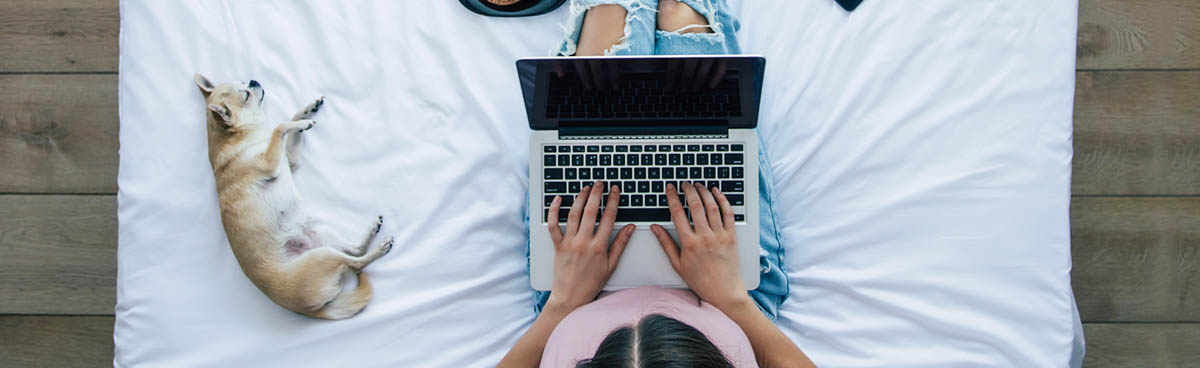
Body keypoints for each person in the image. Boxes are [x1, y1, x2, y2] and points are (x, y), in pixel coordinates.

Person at [501, 1, 815, 367]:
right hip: (731, 303)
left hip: (575, 296)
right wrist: (731, 299)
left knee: (605, 35)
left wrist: (562, 304)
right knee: (686, 32)